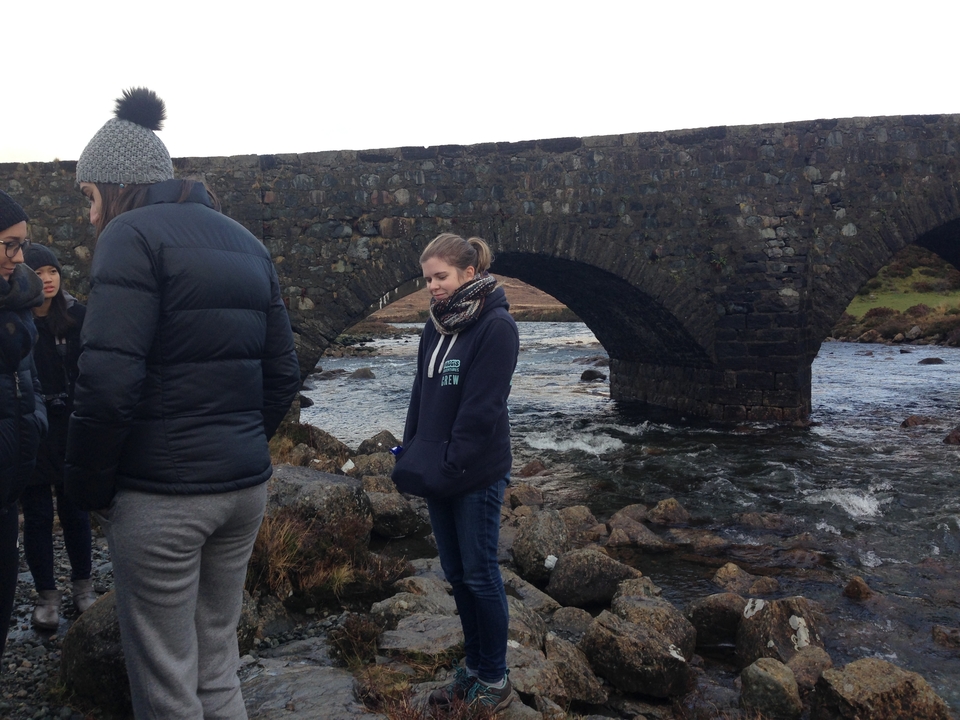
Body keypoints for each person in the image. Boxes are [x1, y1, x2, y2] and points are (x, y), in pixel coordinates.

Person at [64, 87, 301, 719]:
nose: (89, 217)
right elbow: (283, 370)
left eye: (89, 197)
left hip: (163, 496)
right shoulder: (245, 243)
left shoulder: (129, 237)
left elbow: (107, 382)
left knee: (166, 683)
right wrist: (242, 442)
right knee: (216, 665)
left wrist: (87, 488)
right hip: (243, 489)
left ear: (115, 186)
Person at [391, 233, 520, 713]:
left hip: (476, 473)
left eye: (440, 277)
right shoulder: (436, 326)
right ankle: (473, 666)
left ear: (470, 274)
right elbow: (420, 396)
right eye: (427, 279)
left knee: (481, 574)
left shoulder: (497, 327)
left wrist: (450, 466)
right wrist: (408, 452)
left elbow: (482, 410)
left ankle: (495, 677)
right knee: (456, 574)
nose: (433, 287)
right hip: (438, 470)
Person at [20, 245, 94, 630]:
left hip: (71, 428)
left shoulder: (78, 316)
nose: (48, 279)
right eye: (39, 272)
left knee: (75, 511)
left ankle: (83, 587)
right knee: (36, 517)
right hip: (32, 430)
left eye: (53, 270)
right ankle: (46, 595)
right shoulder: (13, 320)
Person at [0, 191, 47, 659]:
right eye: (9, 245)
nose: (19, 257)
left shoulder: (18, 304)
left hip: (11, 480)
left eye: (23, 245)